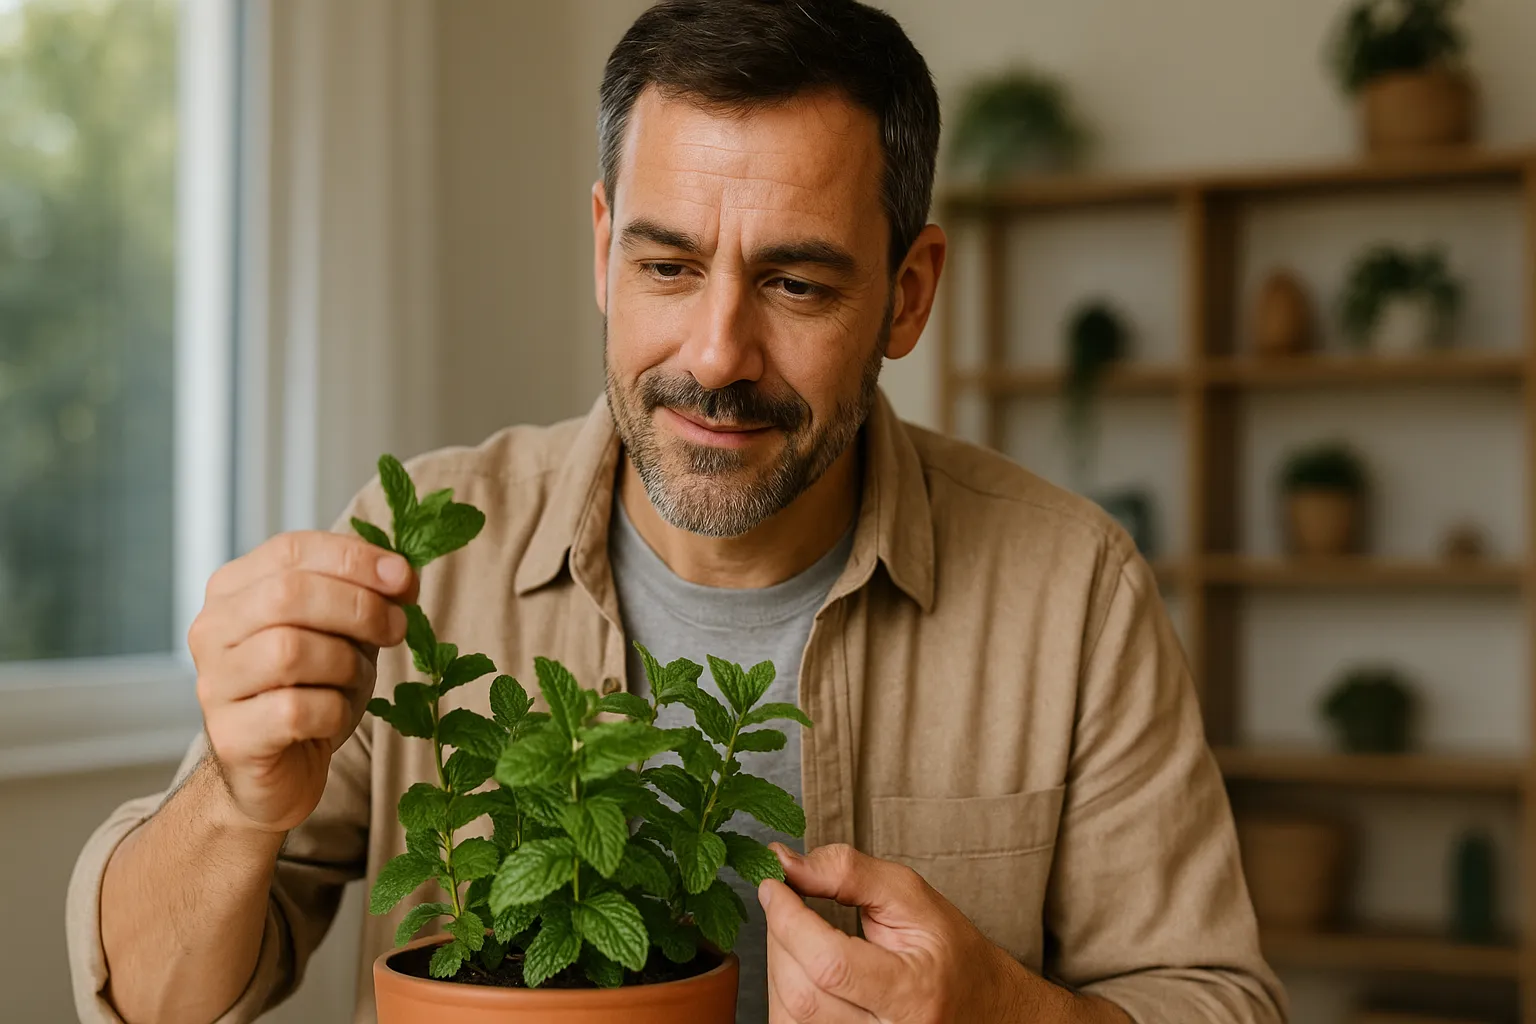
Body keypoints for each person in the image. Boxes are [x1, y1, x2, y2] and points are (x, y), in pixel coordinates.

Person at [67, 2, 1287, 1022]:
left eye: (795, 282)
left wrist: (1002, 1011)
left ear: (907, 298)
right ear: (603, 252)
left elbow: (1220, 997)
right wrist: (233, 801)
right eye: (667, 265)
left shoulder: (1072, 589)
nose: (717, 353)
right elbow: (146, 995)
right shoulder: (428, 552)